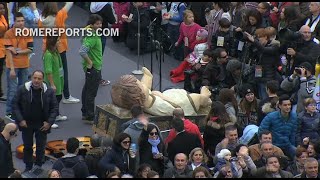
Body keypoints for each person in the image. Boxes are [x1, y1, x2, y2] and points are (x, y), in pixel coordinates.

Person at [12, 70, 58, 171]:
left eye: (39, 78)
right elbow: (15, 105)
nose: (36, 80)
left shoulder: (49, 91)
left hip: (42, 124)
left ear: (43, 80)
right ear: (31, 78)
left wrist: (49, 122)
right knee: (27, 146)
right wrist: (21, 120)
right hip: (26, 124)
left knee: (41, 148)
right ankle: (28, 167)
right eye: (35, 78)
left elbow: (54, 108)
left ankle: (38, 167)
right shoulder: (23, 89)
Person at [39, 2, 80, 104]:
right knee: (63, 72)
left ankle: (49, 94)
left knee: (50, 72)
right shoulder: (59, 16)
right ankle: (65, 95)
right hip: (60, 48)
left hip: (47, 48)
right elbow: (69, 4)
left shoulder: (41, 20)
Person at [4, 12, 33, 120]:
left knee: (23, 89)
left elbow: (30, 49)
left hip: (24, 65)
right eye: (18, 21)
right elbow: (8, 52)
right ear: (14, 22)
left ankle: (19, 111)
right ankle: (9, 112)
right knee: (12, 89)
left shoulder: (28, 32)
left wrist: (17, 52)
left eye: (22, 21)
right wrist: (11, 69)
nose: (21, 23)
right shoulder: (8, 34)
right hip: (13, 66)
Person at [79, 14, 104, 124]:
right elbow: (82, 51)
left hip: (90, 68)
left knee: (86, 89)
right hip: (94, 68)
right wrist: (90, 62)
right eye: (97, 24)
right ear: (92, 24)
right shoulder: (92, 37)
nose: (100, 26)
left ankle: (85, 112)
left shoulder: (88, 32)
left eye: (100, 23)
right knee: (91, 93)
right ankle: (90, 116)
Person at [244, 28, 281, 100]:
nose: (258, 40)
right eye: (257, 38)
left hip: (269, 77)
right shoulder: (258, 47)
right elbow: (254, 57)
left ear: (265, 37)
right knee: (261, 98)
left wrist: (254, 41)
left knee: (266, 99)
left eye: (259, 37)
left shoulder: (274, 45)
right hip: (259, 75)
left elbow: (264, 50)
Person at [259, 94, 298, 160]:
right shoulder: (271, 116)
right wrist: (267, 144)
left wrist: (293, 146)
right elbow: (261, 130)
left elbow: (293, 134)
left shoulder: (294, 117)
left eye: (289, 105)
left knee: (299, 153)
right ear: (280, 106)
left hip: (287, 145)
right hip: (274, 145)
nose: (288, 107)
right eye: (285, 105)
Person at [43, 35, 67, 129]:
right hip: (53, 81)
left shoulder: (55, 52)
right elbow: (48, 71)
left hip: (59, 79)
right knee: (52, 101)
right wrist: (52, 84)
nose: (59, 42)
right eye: (58, 41)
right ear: (53, 42)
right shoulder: (48, 55)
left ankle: (56, 115)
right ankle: (49, 119)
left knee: (58, 97)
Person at [203, 101, 236, 167]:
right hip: (231, 153)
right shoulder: (231, 124)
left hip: (213, 155)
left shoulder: (209, 126)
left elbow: (206, 141)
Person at [0, 2, 8, 101]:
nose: (3, 10)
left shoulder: (2, 17)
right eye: (1, 9)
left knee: (1, 70)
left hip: (3, 47)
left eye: (3, 8)